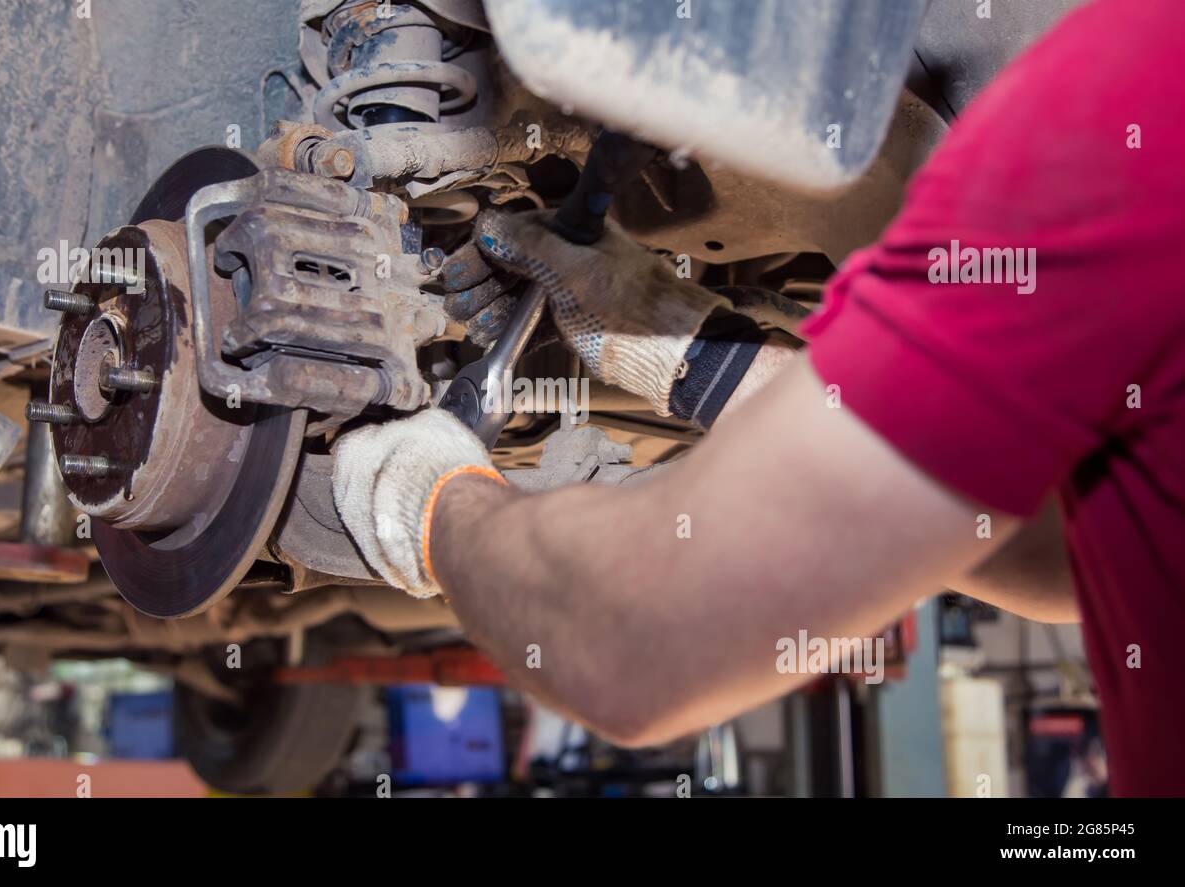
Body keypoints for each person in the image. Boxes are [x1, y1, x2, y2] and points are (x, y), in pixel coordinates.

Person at [332, 0, 1184, 796]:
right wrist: (679, 344)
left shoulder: (1145, 110)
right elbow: (1068, 548)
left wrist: (423, 503)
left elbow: (629, 642)